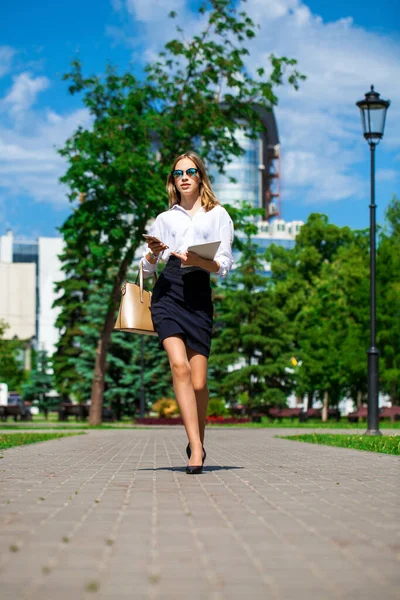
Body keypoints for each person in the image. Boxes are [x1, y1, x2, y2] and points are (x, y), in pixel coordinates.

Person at [141, 151, 234, 474]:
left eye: (191, 171)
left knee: (198, 384)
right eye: (178, 172)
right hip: (168, 291)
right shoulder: (165, 219)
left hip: (198, 295)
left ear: (200, 177)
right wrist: (153, 256)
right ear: (173, 181)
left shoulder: (218, 214)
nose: (184, 177)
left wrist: (199, 261)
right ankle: (195, 448)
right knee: (178, 367)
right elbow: (146, 266)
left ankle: (199, 440)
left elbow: (223, 264)